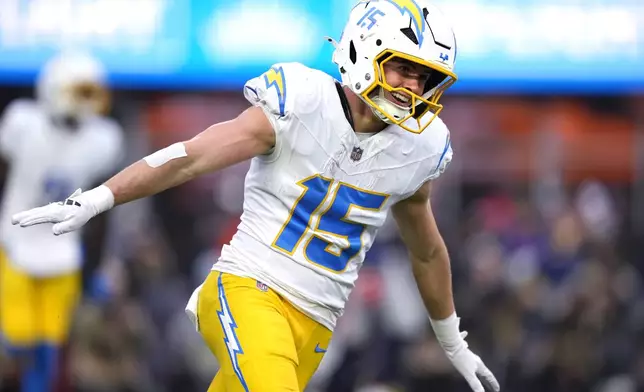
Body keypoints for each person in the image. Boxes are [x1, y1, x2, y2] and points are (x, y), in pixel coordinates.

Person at [11, 1, 500, 391]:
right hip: (248, 290)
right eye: (403, 70)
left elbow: (428, 250)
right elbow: (192, 156)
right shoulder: (301, 99)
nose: (414, 89)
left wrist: (452, 342)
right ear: (364, 50)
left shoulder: (422, 147)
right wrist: (100, 197)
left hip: (316, 325)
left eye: (426, 78)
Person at [0, 51, 124, 391]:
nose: (90, 102)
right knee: (16, 342)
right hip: (15, 242)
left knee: (50, 348)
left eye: (92, 92)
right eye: (81, 92)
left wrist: (100, 265)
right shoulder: (23, 124)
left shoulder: (103, 139)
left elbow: (103, 208)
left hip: (63, 249)